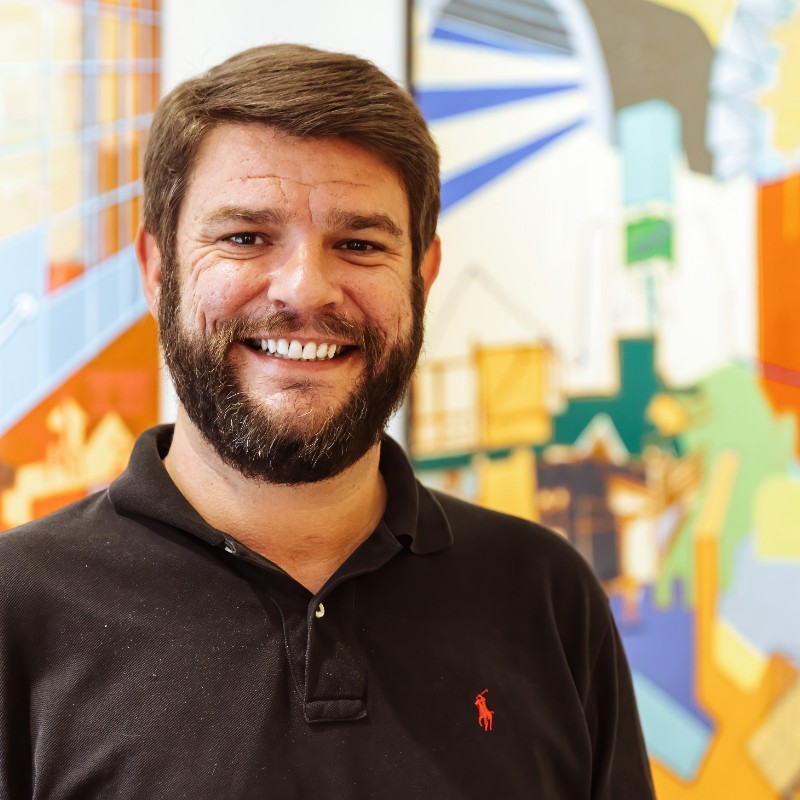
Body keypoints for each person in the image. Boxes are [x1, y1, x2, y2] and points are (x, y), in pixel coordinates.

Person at [0, 45, 655, 799]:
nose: (305, 289)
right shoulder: (19, 611)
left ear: (423, 276)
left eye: (359, 244)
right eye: (245, 237)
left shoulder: (545, 598)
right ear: (157, 270)